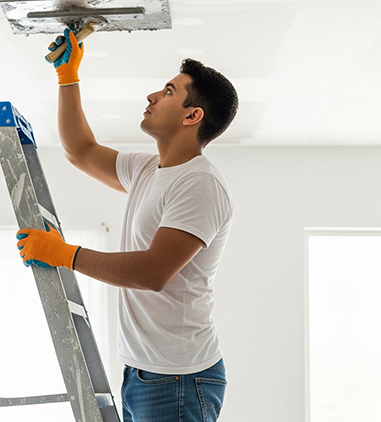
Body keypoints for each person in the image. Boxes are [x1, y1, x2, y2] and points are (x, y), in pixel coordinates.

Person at [15, 27, 238, 422]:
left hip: (178, 379)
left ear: (192, 116)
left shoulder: (199, 184)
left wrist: (65, 255)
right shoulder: (148, 169)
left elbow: (152, 272)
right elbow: (81, 150)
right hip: (144, 371)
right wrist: (68, 77)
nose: (152, 96)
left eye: (168, 92)